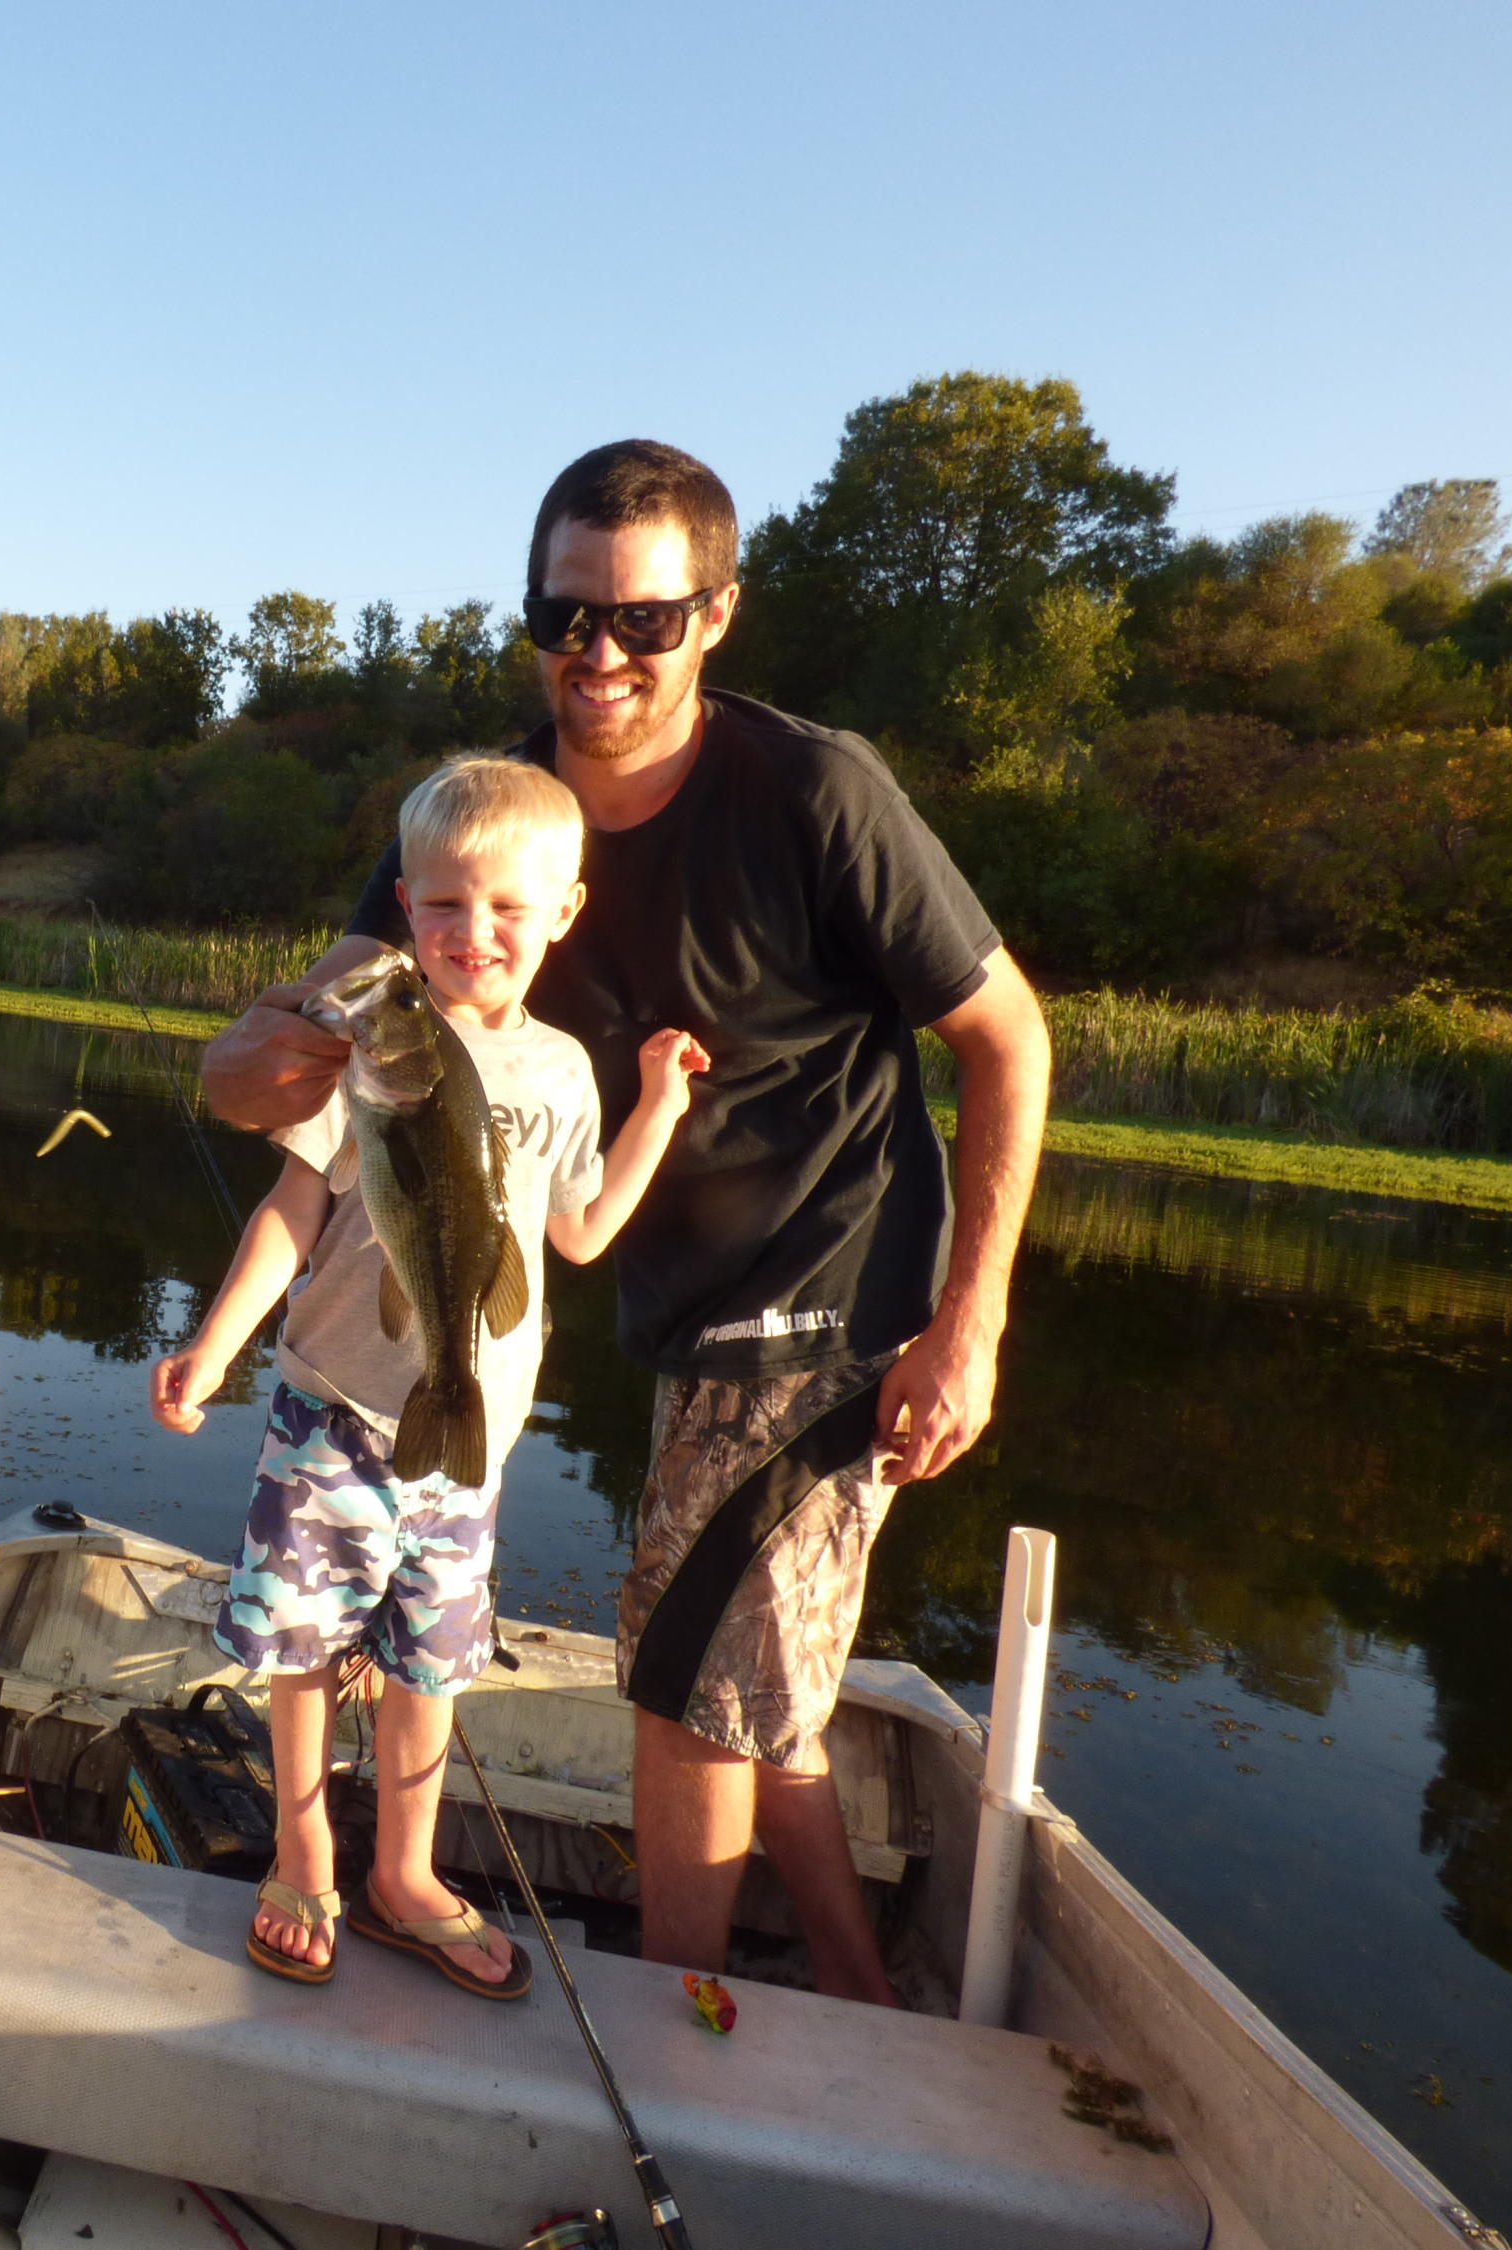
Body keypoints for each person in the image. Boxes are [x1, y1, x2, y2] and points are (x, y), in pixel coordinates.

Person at [201, 440, 1052, 2003]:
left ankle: (673, 2031)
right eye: (565, 613)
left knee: (680, 1685)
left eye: (644, 620)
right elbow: (280, 1052)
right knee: (742, 1684)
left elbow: (1008, 1036)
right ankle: (870, 2001)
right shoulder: (490, 831)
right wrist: (263, 1060)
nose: (600, 652)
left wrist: (971, 1319)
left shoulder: (813, 789)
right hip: (668, 1309)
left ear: (716, 616)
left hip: (830, 1297)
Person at [152, 755, 709, 1998]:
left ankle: (405, 1871)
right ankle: (305, 1854)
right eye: (445, 906)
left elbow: (581, 1233)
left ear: (563, 912)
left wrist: (658, 1108)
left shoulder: (565, 1068)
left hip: (473, 1429)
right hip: (333, 1412)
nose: (475, 934)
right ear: (405, 906)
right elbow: (293, 1214)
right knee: (304, 1646)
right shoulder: (366, 1047)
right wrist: (217, 1343)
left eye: (509, 908)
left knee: (432, 1664)